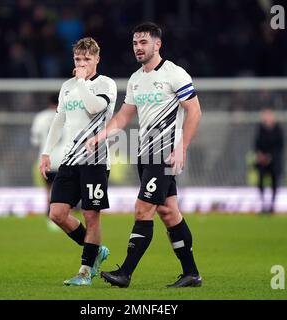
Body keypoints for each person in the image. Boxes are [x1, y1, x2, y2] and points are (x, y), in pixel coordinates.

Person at [86, 22, 203, 288]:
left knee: (142, 209)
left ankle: (125, 273)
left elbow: (195, 111)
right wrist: (100, 136)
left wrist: (181, 147)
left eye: (144, 43)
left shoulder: (175, 74)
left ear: (157, 44)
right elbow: (123, 117)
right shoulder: (136, 79)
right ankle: (192, 274)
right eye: (135, 43)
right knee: (169, 213)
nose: (138, 48)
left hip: (164, 155)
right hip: (145, 155)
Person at [39, 37, 117, 286]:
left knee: (91, 215)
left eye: (86, 59)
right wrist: (46, 152)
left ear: (97, 59)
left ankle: (85, 271)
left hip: (95, 160)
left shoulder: (106, 84)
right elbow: (58, 120)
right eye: (77, 59)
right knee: (57, 213)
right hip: (70, 160)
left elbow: (94, 108)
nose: (81, 63)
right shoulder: (67, 86)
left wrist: (82, 81)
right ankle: (96, 250)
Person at [30, 94, 67, 228]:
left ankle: (51, 216)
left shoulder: (40, 117)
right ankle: (61, 216)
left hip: (46, 159)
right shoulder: (68, 115)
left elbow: (35, 141)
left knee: (48, 190)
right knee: (63, 191)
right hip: (64, 159)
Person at [254, 108, 284, 214]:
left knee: (274, 181)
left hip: (274, 161)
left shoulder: (278, 130)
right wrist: (260, 155)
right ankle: (263, 204)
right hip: (263, 161)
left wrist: (270, 157)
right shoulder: (260, 130)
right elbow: (256, 144)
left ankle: (272, 205)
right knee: (260, 181)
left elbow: (280, 146)